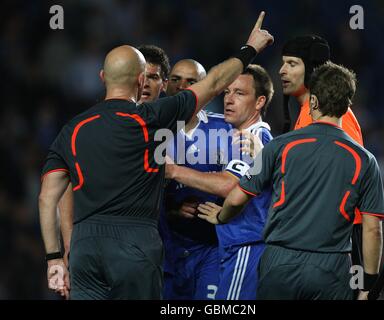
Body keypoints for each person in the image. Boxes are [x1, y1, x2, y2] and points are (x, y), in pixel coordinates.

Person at [38, 12, 274, 300]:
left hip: (85, 246)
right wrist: (249, 49)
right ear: (140, 81)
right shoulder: (151, 117)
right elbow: (212, 83)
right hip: (135, 241)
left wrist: (56, 258)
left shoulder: (72, 130)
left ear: (102, 77)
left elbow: (49, 197)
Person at [198, 62, 384, 300]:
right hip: (331, 269)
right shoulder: (364, 160)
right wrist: (368, 284)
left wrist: (220, 216)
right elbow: (372, 230)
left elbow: (237, 198)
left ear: (314, 102)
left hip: (280, 263)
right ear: (347, 104)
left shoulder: (280, 146)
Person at [165, 64, 274, 299]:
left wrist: (172, 170)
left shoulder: (253, 138)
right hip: (236, 245)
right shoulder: (237, 136)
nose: (229, 99)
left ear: (259, 102)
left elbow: (229, 185)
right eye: (227, 92)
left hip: (246, 243)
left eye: (240, 93)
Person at [58, 45, 171, 269]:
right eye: (143, 76)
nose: (146, 83)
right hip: (106, 242)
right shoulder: (100, 125)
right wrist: (70, 245)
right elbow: (67, 187)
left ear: (164, 84)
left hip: (161, 247)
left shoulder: (176, 128)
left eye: (154, 77)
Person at [279, 35, 365, 283]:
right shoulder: (307, 112)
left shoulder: (335, 115)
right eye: (283, 62)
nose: (282, 70)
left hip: (338, 239)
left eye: (292, 63)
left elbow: (344, 178)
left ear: (313, 69)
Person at [161, 59, 231, 300]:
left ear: (206, 89)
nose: (182, 86)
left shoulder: (225, 128)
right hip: (166, 250)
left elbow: (238, 185)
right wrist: (172, 210)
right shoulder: (149, 129)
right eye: (176, 79)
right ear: (165, 84)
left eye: (192, 81)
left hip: (211, 248)